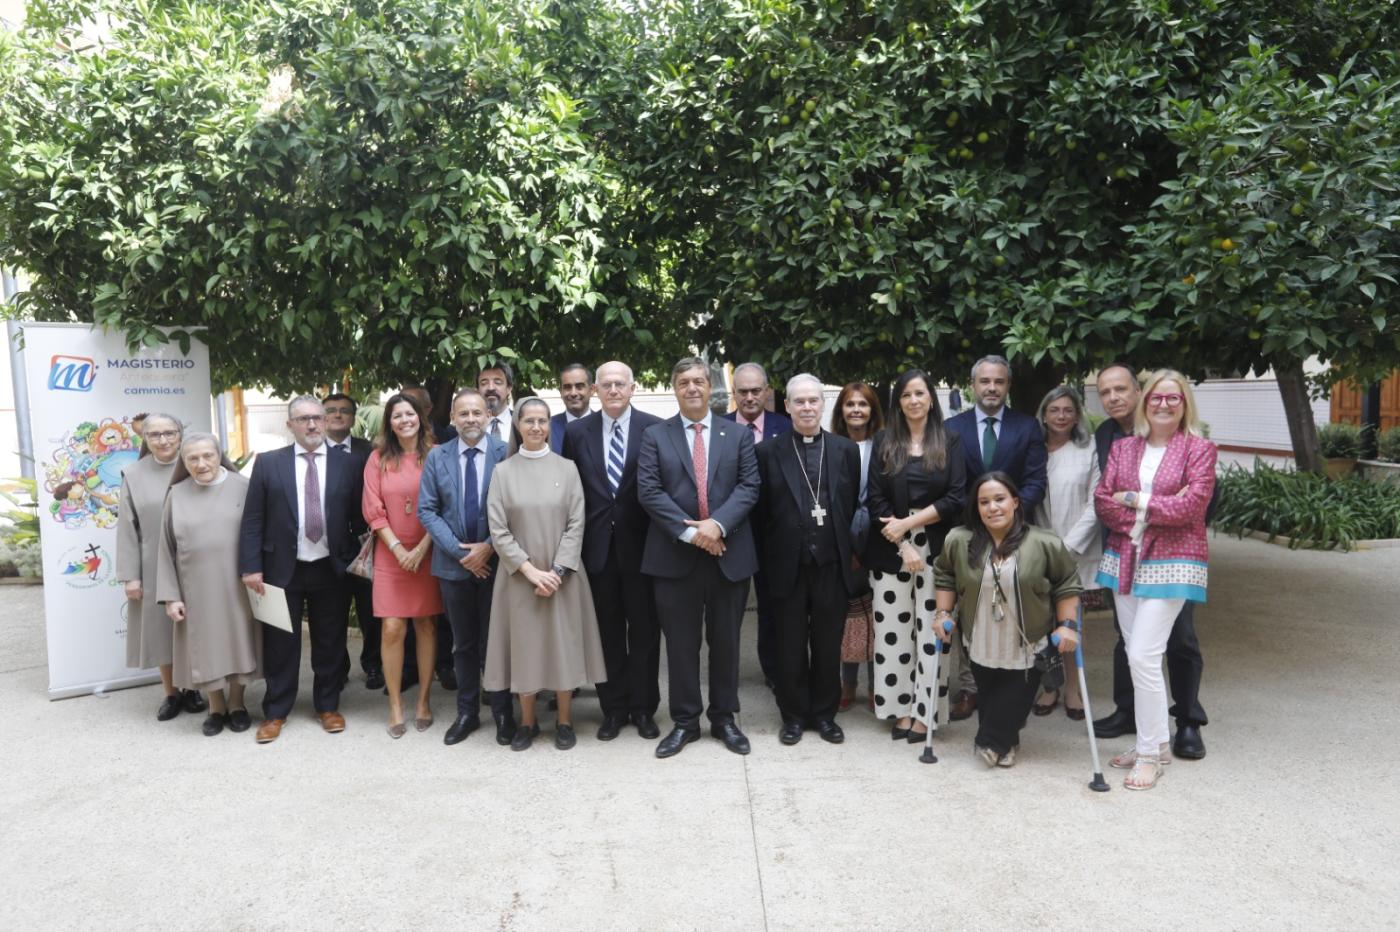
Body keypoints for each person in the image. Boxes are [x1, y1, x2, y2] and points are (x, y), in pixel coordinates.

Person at [1094, 369, 1217, 790]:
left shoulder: (1199, 450)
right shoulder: (1124, 447)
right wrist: (1160, 504)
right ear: (1145, 403)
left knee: (1144, 655)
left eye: (1173, 398)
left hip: (1175, 562)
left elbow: (1192, 509)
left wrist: (1135, 499)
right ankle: (1157, 742)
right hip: (1124, 558)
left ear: (1185, 404)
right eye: (1156, 398)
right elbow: (1102, 502)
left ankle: (1149, 755)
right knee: (1135, 653)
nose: (1164, 404)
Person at [638, 357, 761, 758]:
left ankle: (724, 719)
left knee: (726, 643)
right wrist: (695, 533)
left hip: (729, 555)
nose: (692, 388)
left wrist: (717, 526)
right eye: (684, 382)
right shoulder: (656, 436)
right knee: (680, 644)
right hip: (675, 559)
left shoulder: (736, 435)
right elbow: (650, 492)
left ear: (711, 388)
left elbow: (749, 486)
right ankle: (686, 722)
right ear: (674, 388)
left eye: (699, 382)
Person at [239, 396, 366, 744]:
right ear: (290, 425)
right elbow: (253, 519)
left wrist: (356, 557)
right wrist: (251, 567)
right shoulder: (268, 463)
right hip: (281, 568)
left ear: (325, 422)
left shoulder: (349, 464)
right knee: (282, 643)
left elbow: (359, 517)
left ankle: (327, 706)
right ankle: (276, 711)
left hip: (331, 567)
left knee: (330, 640)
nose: (311, 425)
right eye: (303, 419)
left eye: (317, 418)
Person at [482, 398, 608, 751]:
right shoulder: (502, 472)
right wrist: (529, 570)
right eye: (529, 421)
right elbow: (498, 529)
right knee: (525, 649)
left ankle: (565, 721)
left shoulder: (567, 468)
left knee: (562, 647)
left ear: (550, 426)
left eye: (542, 421)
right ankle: (527, 722)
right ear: (518, 426)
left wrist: (555, 570)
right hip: (519, 579)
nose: (536, 427)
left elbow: (576, 521)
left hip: (563, 576)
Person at [933, 473, 1082, 766]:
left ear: (1015, 502)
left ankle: (990, 743)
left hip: (1028, 640)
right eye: (984, 502)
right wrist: (942, 613)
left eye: (999, 499)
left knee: (1015, 696)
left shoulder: (1044, 542)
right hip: (979, 637)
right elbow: (945, 575)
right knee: (989, 695)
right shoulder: (959, 540)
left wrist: (1067, 626)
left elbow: (1067, 583)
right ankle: (1006, 743)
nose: (992, 508)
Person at [756, 374, 862, 746]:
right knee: (789, 643)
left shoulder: (845, 451)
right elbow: (761, 515)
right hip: (786, 564)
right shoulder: (768, 452)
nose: (806, 407)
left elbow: (848, 507)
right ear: (786, 406)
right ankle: (794, 715)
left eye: (813, 401)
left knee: (827, 642)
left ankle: (825, 714)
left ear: (823, 404)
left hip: (831, 564)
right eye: (798, 401)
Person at [561, 360, 664, 741]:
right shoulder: (576, 432)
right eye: (606, 384)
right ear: (595, 391)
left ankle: (644, 708)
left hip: (643, 549)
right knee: (605, 634)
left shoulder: (654, 427)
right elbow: (573, 493)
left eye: (621, 383)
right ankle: (614, 709)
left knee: (645, 633)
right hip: (597, 550)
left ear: (633, 388)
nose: (614, 390)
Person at [944, 354, 1048, 721]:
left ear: (1008, 386)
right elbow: (949, 484)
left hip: (1016, 534)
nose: (991, 388)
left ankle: (1011, 686)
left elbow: (1036, 480)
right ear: (973, 385)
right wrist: (979, 519)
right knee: (969, 610)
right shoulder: (951, 428)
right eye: (984, 381)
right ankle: (971, 688)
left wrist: (1010, 518)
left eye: (999, 382)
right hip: (968, 533)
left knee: (1014, 606)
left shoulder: (1027, 427)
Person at [865, 369, 966, 743]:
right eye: (906, 395)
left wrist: (910, 524)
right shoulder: (883, 441)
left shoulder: (950, 440)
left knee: (931, 632)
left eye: (920, 393)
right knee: (893, 634)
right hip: (892, 548)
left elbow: (957, 496)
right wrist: (902, 542)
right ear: (898, 402)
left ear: (930, 398)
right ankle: (901, 709)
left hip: (936, 549)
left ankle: (925, 713)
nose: (913, 401)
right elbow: (875, 497)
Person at [417, 388, 517, 746]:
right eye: (464, 414)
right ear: (453, 419)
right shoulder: (437, 457)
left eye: (477, 413)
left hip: (497, 565)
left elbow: (515, 508)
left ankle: (503, 711)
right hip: (454, 566)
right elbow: (427, 509)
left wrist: (489, 548)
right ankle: (467, 713)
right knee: (463, 644)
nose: (471, 419)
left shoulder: (505, 453)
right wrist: (462, 553)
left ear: (489, 417)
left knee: (497, 642)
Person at [157, 433, 262, 736]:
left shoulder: (244, 486)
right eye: (193, 458)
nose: (201, 463)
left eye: (208, 456)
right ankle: (216, 707)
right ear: (184, 462)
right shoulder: (176, 494)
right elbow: (165, 548)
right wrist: (170, 597)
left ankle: (238, 704)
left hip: (238, 585)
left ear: (220, 455)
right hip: (195, 589)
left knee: (239, 643)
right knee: (206, 647)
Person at [116, 413, 207, 721]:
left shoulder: (198, 463)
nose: (163, 440)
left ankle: (194, 687)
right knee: (160, 630)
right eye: (155, 435)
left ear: (180, 435)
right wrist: (130, 576)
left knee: (194, 627)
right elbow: (127, 528)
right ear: (145, 439)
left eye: (169, 433)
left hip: (197, 561)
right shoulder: (133, 474)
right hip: (153, 563)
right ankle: (170, 693)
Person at [362, 393, 443, 738]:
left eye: (409, 413)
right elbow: (373, 509)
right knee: (392, 627)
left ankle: (423, 700)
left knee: (426, 624)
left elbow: (444, 505)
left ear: (420, 417)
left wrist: (422, 548)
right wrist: (398, 550)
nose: (404, 420)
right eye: (397, 416)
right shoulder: (377, 459)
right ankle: (396, 703)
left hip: (429, 550)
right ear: (389, 422)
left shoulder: (437, 454)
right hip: (390, 553)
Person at [1030, 386, 1101, 720]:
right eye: (1054, 410)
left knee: (1070, 623)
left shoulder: (1088, 450)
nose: (1061, 416)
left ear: (1077, 415)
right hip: (1037, 548)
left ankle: (1073, 689)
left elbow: (1096, 501)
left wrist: (1069, 546)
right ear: (1044, 414)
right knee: (1041, 622)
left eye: (1067, 410)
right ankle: (1049, 686)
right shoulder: (1034, 451)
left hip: (1075, 550)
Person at [720, 361, 791, 688]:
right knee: (725, 609)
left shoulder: (787, 426)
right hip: (727, 533)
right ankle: (724, 673)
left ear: (767, 391)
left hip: (773, 533)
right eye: (742, 391)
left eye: (755, 391)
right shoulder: (717, 427)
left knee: (773, 606)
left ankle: (774, 671)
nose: (749, 397)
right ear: (734, 393)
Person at [324, 392, 384, 692]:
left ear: (353, 417)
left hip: (366, 542)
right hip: (327, 545)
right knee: (333, 612)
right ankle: (339, 668)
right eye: (331, 410)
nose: (337, 415)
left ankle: (373, 665)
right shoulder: (313, 452)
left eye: (344, 411)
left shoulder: (369, 450)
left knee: (369, 612)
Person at [830, 381, 884, 712]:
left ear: (872, 411)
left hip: (879, 540)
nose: (856, 410)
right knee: (848, 615)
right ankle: (846, 683)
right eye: (850, 404)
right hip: (843, 540)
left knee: (879, 616)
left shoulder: (885, 444)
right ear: (841, 411)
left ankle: (878, 685)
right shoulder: (831, 446)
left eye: (863, 404)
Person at [400, 383, 458, 689]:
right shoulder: (389, 446)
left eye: (414, 406)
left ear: (428, 409)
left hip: (440, 539)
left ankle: (445, 665)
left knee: (442, 609)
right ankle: (409, 668)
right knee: (407, 611)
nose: (408, 414)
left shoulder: (447, 439)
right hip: (400, 544)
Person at [550, 363, 593, 454]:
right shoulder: (547, 428)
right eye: (567, 387)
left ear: (592, 390)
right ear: (561, 392)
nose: (573, 393)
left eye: (579, 387)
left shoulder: (605, 425)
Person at [478, 362, 516, 447]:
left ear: (509, 388)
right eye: (484, 383)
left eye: (498, 382)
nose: (491, 388)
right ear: (477, 390)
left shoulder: (520, 423)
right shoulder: (469, 425)